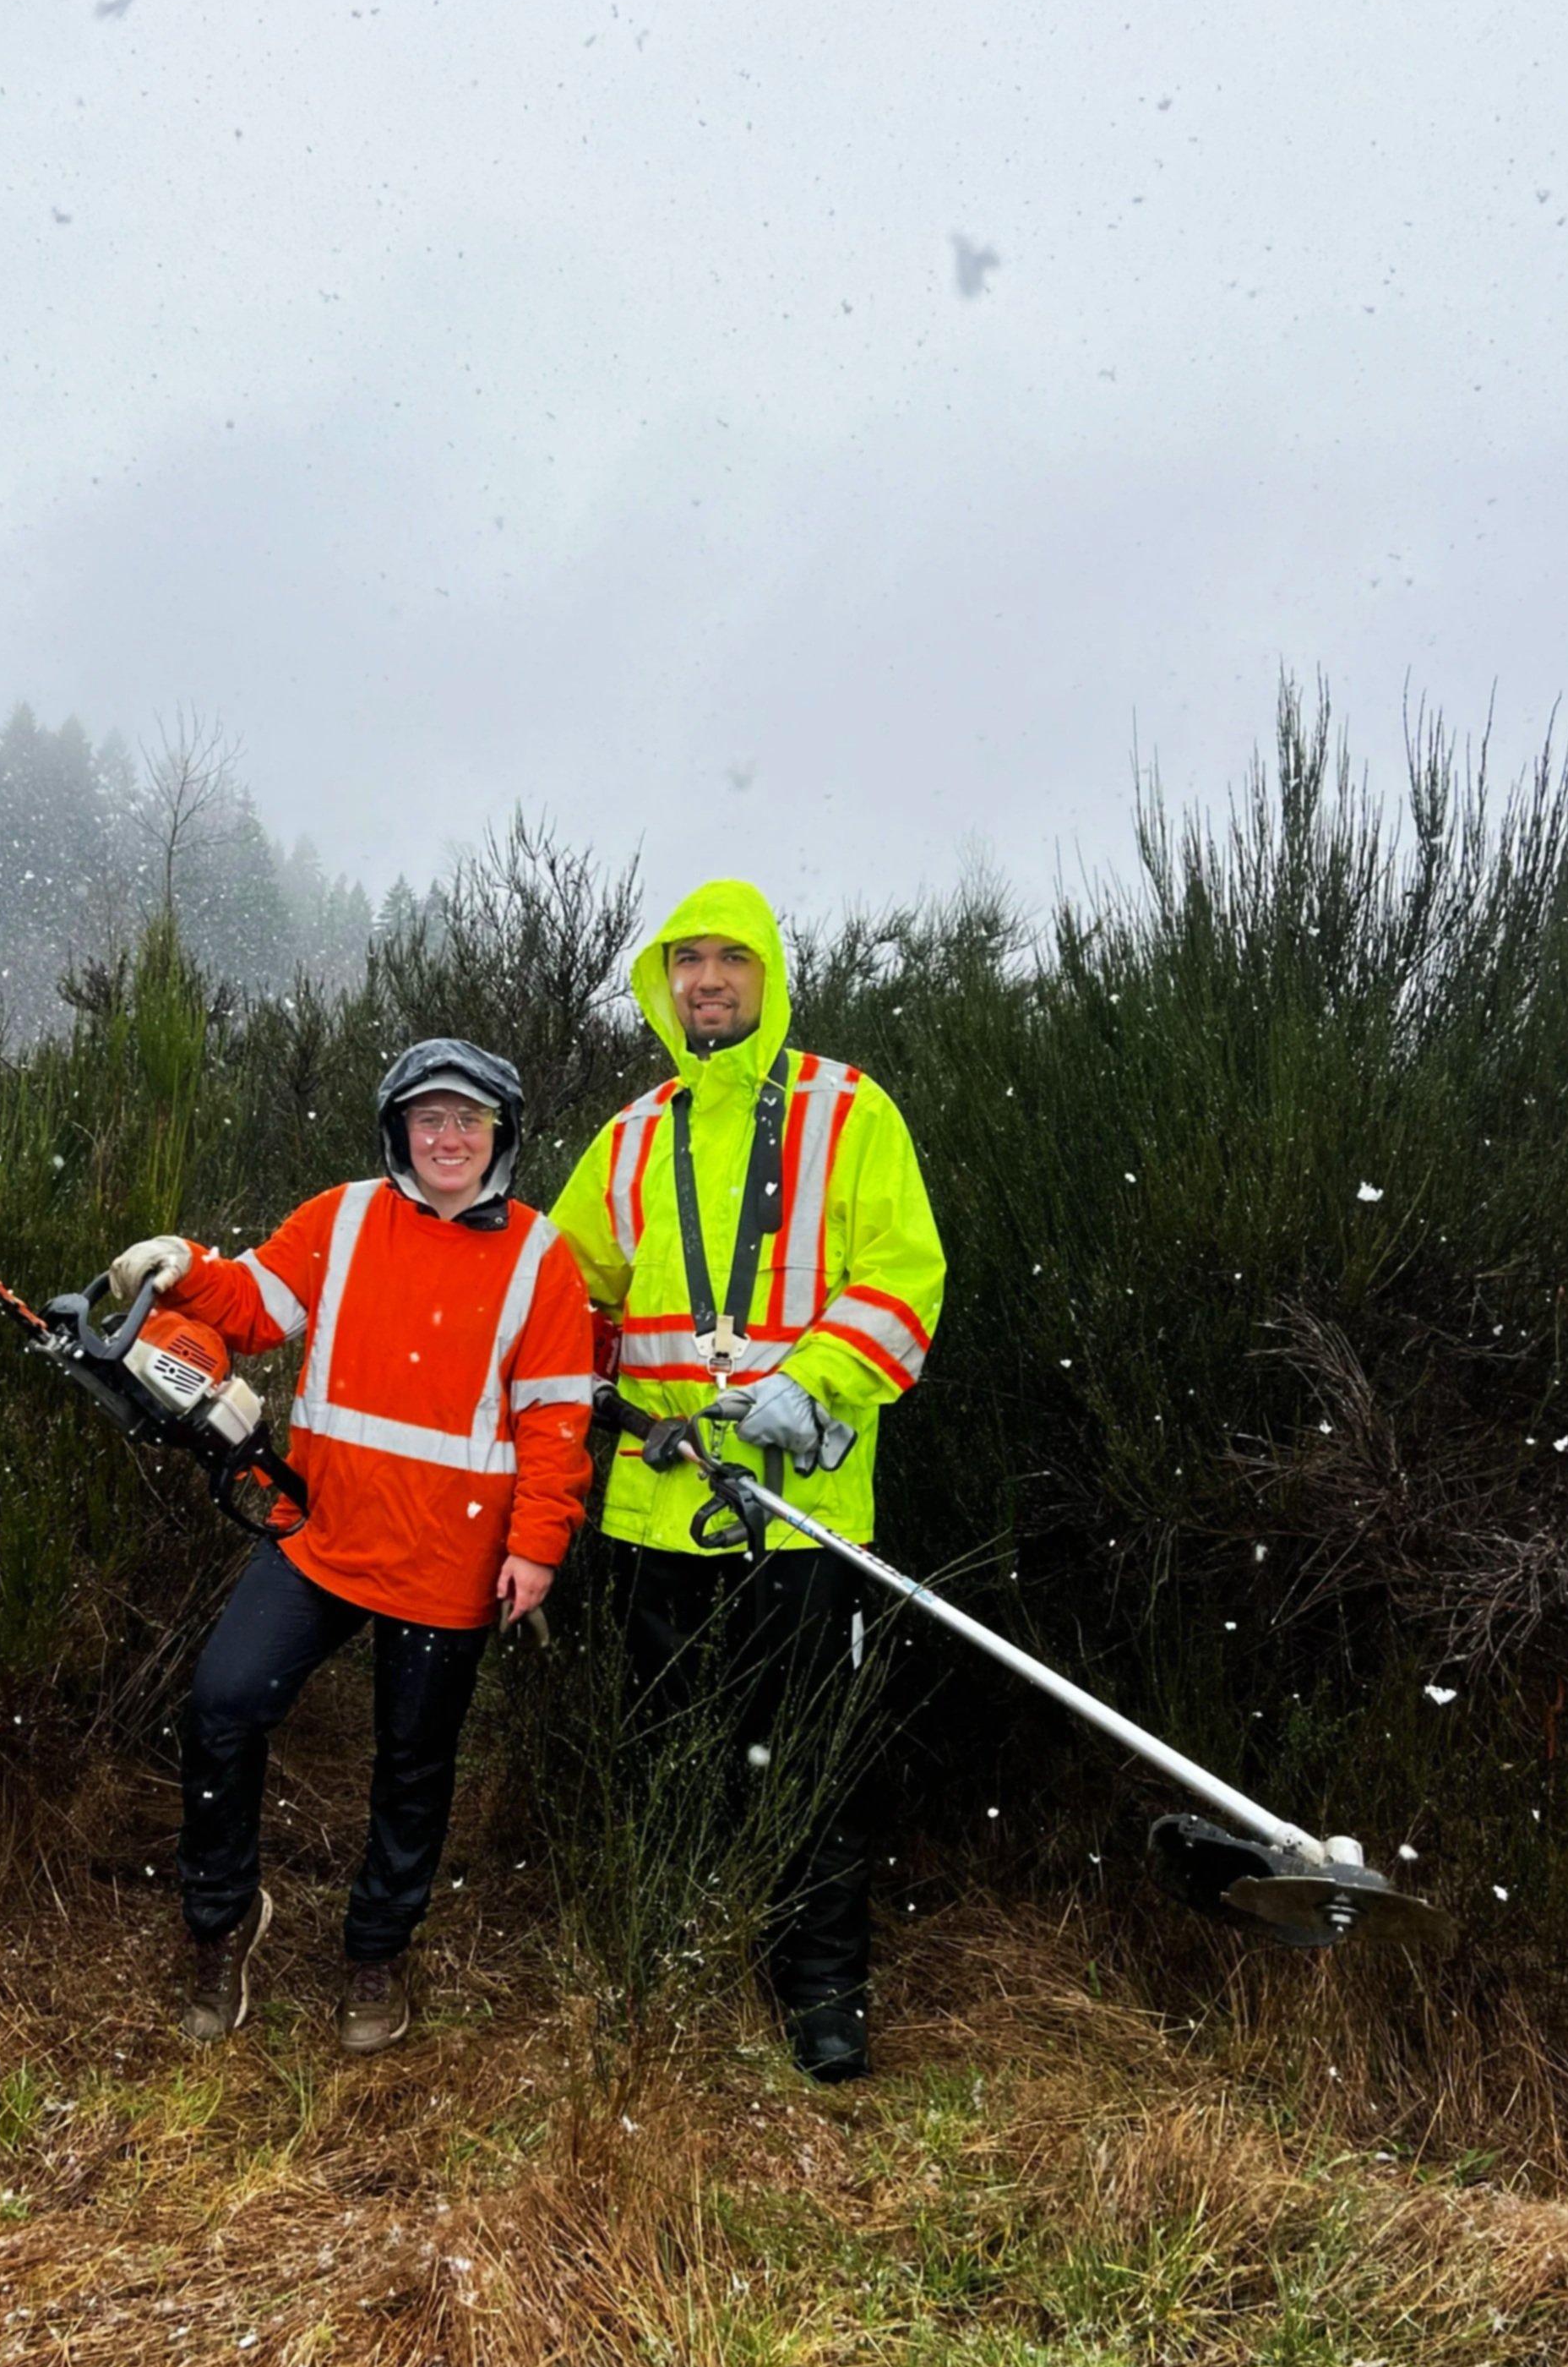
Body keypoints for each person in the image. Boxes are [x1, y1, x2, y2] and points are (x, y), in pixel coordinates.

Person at [107, 1038, 594, 2053]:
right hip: (319, 1535)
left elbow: (555, 1418)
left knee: (413, 1765)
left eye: (469, 1119)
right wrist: (184, 1267)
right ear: (398, 1132)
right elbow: (253, 1306)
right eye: (429, 1118)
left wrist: (536, 1544)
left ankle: (376, 1951)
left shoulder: (543, 1257)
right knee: (223, 1706)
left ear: (499, 1133)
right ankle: (220, 1922)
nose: (448, 1137)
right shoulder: (341, 1218)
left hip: (451, 1560)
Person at [550, 881, 945, 2081]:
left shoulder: (849, 1109)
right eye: (687, 962)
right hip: (659, 1509)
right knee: (668, 1746)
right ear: (664, 985)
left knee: (807, 1762)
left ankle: (821, 1988)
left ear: (768, 974)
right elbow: (567, 1296)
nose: (708, 979)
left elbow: (904, 1274)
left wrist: (816, 1382)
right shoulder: (628, 1137)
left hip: (802, 1517)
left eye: (730, 959)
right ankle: (674, 1953)